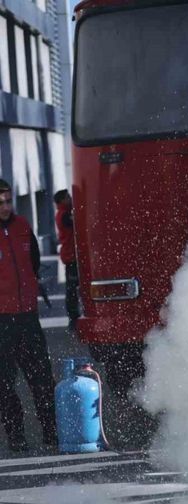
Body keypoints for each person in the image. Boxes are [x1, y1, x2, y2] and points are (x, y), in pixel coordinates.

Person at [0, 180, 57, 451]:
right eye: (0, 202)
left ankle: (51, 433)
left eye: (8, 201)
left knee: (42, 379)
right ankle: (17, 437)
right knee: (5, 384)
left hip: (28, 318)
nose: (5, 207)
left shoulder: (22, 226)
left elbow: (33, 262)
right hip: (2, 321)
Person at [53, 190, 79, 330]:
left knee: (73, 288)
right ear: (62, 200)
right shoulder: (64, 215)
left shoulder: (64, 213)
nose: (70, 199)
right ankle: (73, 318)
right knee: (72, 288)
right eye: (68, 197)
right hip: (70, 256)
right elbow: (76, 221)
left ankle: (74, 316)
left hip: (71, 255)